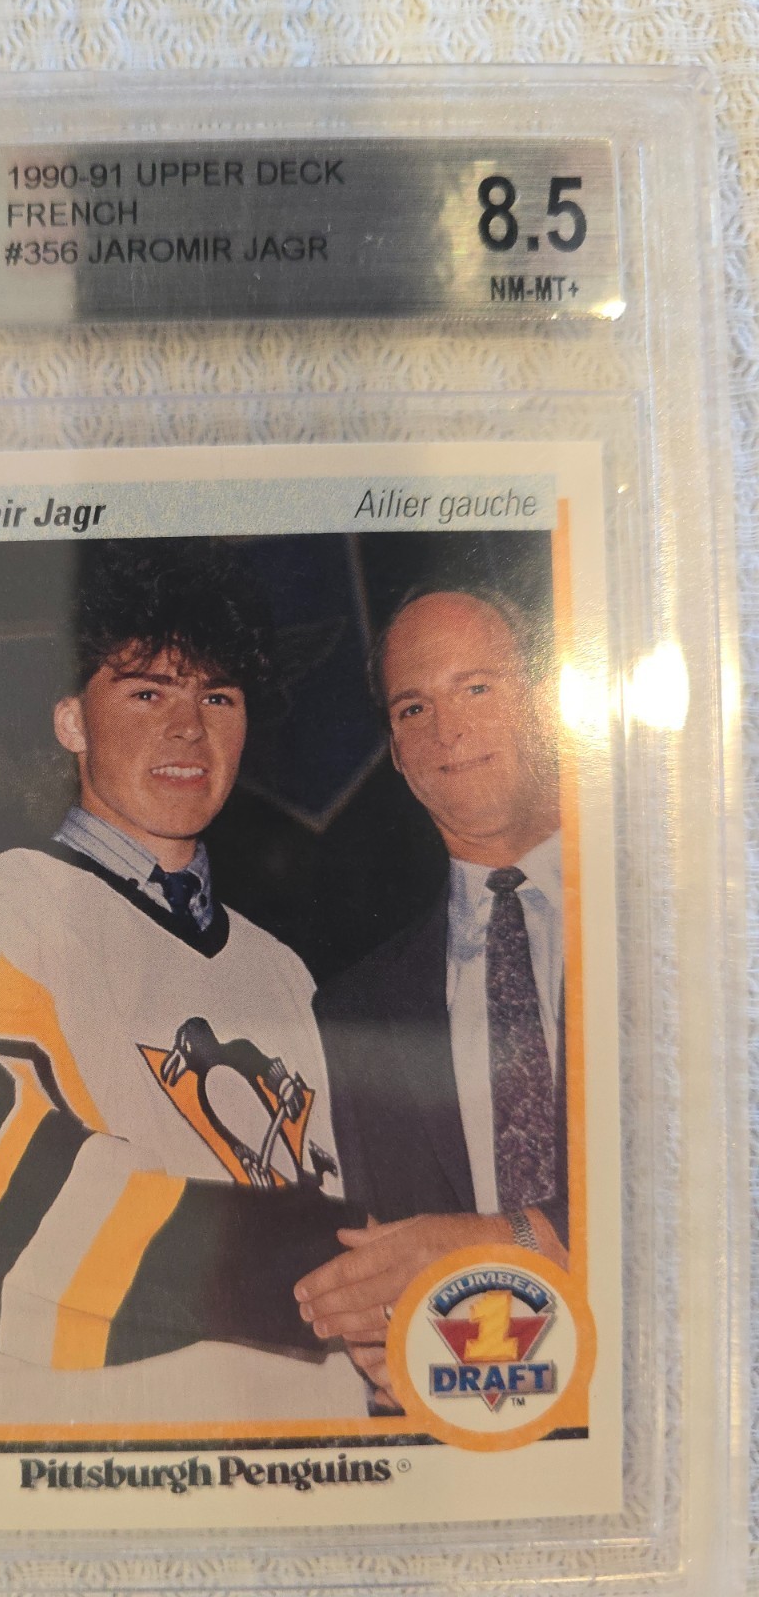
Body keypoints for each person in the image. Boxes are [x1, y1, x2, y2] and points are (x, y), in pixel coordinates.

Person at [0, 540, 367, 1417]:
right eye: (147, 692)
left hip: (299, 1455)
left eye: (217, 697)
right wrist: (355, 1274)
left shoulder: (281, 971)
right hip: (97, 1455)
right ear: (72, 722)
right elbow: (14, 1214)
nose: (188, 729)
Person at [296, 586, 567, 1406]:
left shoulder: (677, 930)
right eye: (414, 708)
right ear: (396, 750)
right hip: (473, 1421)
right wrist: (377, 1342)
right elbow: (369, 1259)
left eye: (476, 688)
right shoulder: (352, 1012)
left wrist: (508, 1244)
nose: (447, 732)